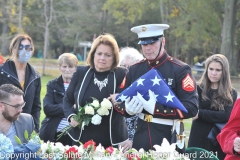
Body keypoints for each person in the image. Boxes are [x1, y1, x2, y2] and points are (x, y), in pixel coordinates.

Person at [113, 24, 198, 152]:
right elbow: (119, 100)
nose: (147, 48)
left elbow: (191, 108)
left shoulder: (180, 69)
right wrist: (127, 110)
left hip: (168, 137)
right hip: (140, 136)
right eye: (144, 44)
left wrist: (155, 109)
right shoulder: (135, 69)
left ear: (163, 41)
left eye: (152, 43)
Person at [63, 33, 129, 149]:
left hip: (112, 141)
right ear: (93, 54)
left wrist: (120, 99)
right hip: (82, 140)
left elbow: (129, 105)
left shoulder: (121, 75)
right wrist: (71, 116)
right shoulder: (81, 72)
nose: (102, 58)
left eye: (107, 55)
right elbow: (67, 100)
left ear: (114, 57)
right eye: (99, 53)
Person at [188, 54, 237, 160]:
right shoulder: (198, 88)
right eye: (211, 69)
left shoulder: (231, 93)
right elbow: (194, 112)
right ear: (207, 69)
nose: (213, 73)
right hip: (198, 135)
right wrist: (212, 115)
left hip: (217, 138)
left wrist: (201, 114)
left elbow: (226, 116)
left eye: (218, 70)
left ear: (224, 72)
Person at [0, 34, 41, 132]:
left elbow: (36, 107)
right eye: (20, 47)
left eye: (28, 48)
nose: (24, 51)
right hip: (3, 126)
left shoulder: (35, 76)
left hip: (24, 128)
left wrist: (35, 129)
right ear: (13, 49)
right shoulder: (2, 72)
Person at [39, 53, 78, 145]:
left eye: (70, 66)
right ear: (59, 67)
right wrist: (70, 107)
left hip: (74, 133)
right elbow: (48, 108)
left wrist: (59, 109)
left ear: (75, 68)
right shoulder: (52, 85)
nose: (67, 70)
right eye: (64, 66)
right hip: (54, 131)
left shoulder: (80, 86)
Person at [119, 46, 143, 147]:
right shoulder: (115, 86)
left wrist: (132, 141)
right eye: (123, 66)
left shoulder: (142, 91)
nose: (126, 71)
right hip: (115, 140)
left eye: (130, 67)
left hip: (137, 142)